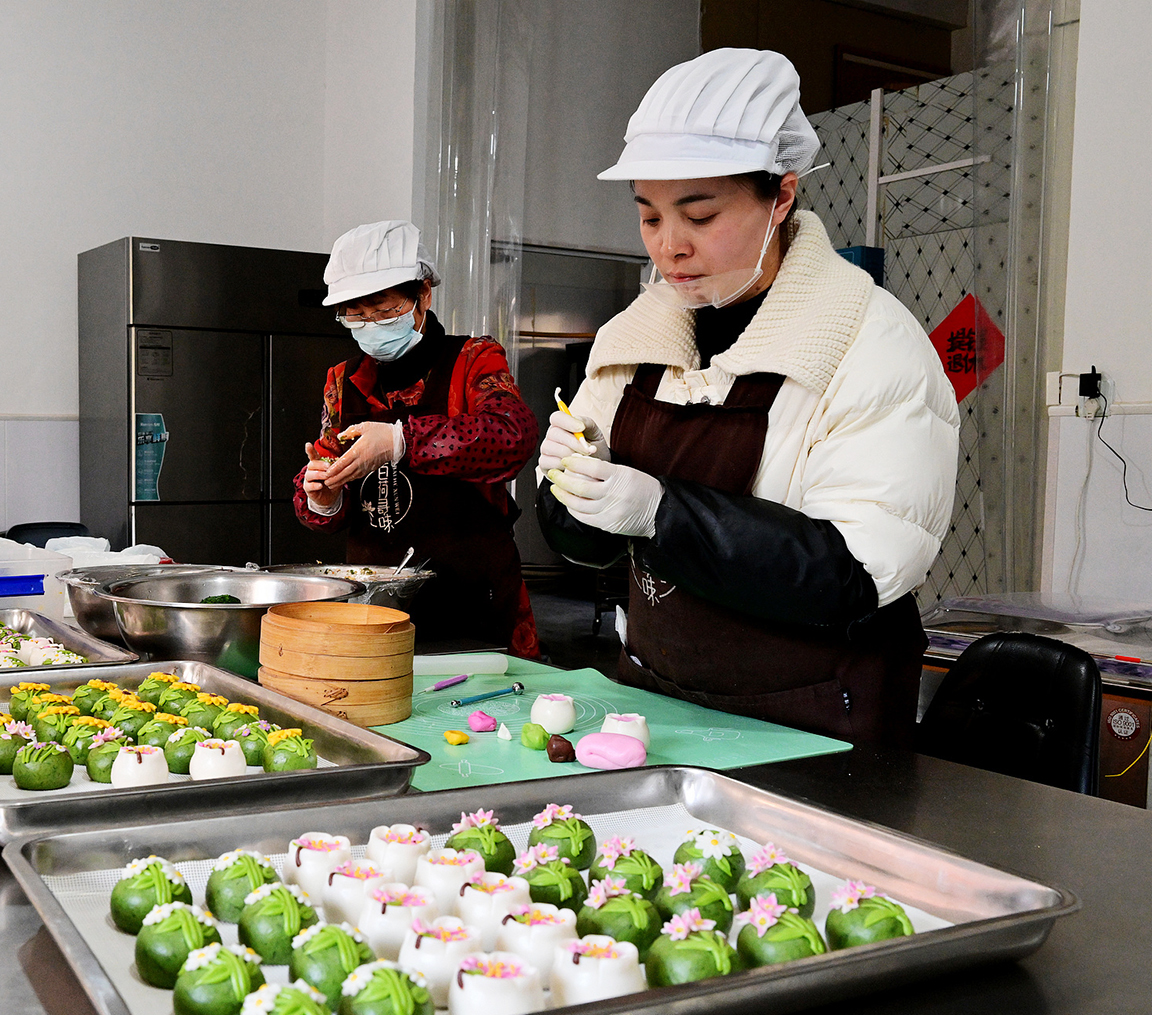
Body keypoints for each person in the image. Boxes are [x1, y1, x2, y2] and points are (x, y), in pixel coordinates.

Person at [537, 49, 958, 746]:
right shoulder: (634, 337)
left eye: (700, 216)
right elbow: (583, 548)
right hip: (660, 708)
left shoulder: (867, 342)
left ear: (781, 197)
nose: (669, 247)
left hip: (815, 723)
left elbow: (854, 573)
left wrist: (661, 513)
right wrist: (572, 487)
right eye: (649, 217)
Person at [294, 220, 541, 658]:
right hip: (376, 609)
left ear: (423, 294)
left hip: (473, 601)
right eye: (356, 315)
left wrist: (401, 442)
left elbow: (513, 435)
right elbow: (324, 476)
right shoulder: (343, 382)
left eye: (384, 310)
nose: (370, 325)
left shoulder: (472, 360)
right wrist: (323, 497)